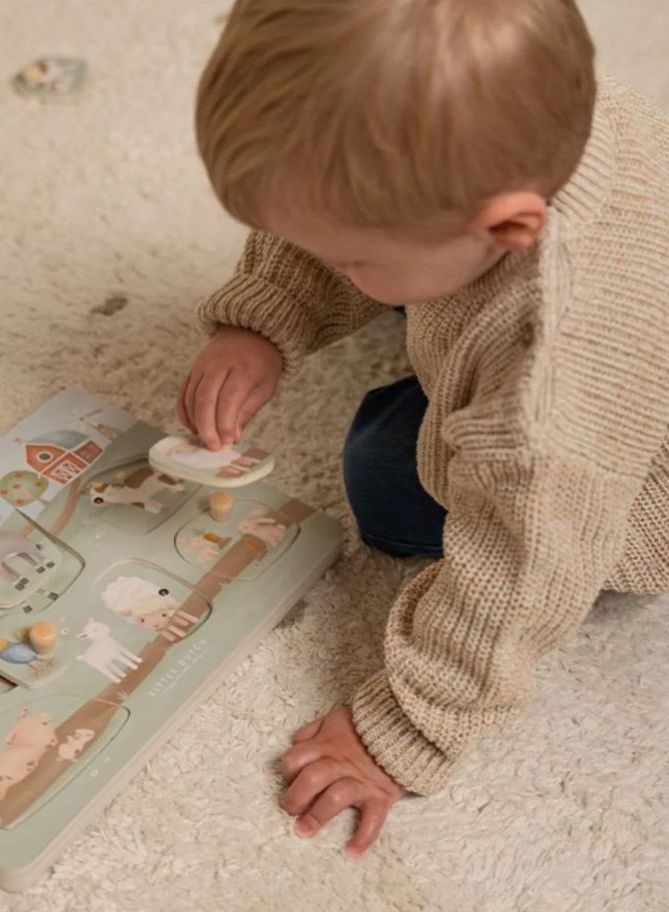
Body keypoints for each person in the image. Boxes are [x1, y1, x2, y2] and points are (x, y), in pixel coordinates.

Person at [178, 0, 669, 856]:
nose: (327, 262)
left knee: (380, 474)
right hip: (511, 304)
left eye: (344, 259)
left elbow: (529, 567)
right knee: (392, 244)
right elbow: (324, 196)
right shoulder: (522, 126)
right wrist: (265, 317)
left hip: (622, 483)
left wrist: (404, 728)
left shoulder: (551, 391)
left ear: (507, 227)